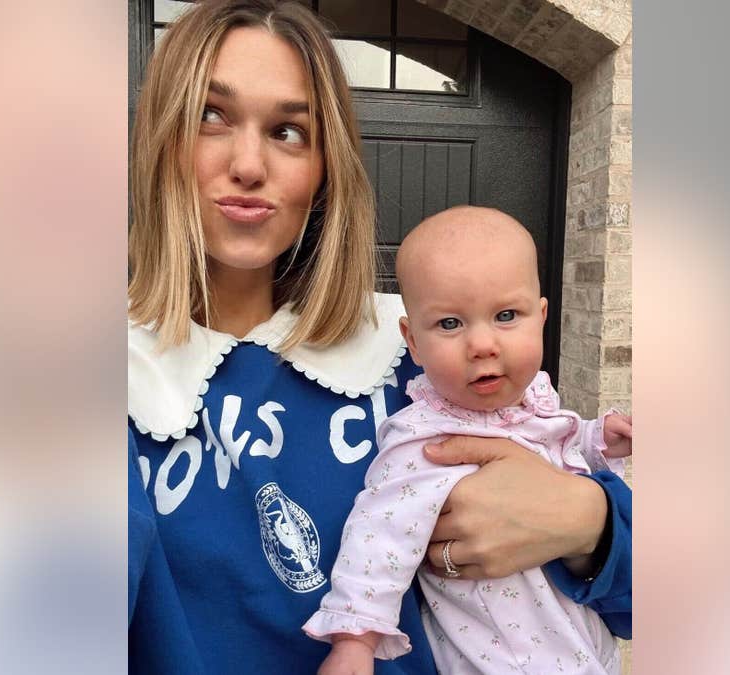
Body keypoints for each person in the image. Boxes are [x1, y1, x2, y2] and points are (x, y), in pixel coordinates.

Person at [127, 2, 631, 673]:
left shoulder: (421, 355)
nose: (248, 164)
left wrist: (591, 524)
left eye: (288, 131)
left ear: (324, 167)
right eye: (209, 117)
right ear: (160, 137)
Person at [302, 207, 631, 674]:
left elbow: (560, 442)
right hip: (498, 655)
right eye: (450, 324)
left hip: (581, 640)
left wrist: (599, 439)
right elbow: (378, 536)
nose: (482, 344)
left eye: (505, 315)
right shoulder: (423, 439)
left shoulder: (535, 399)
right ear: (413, 341)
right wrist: (354, 639)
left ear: (541, 318)